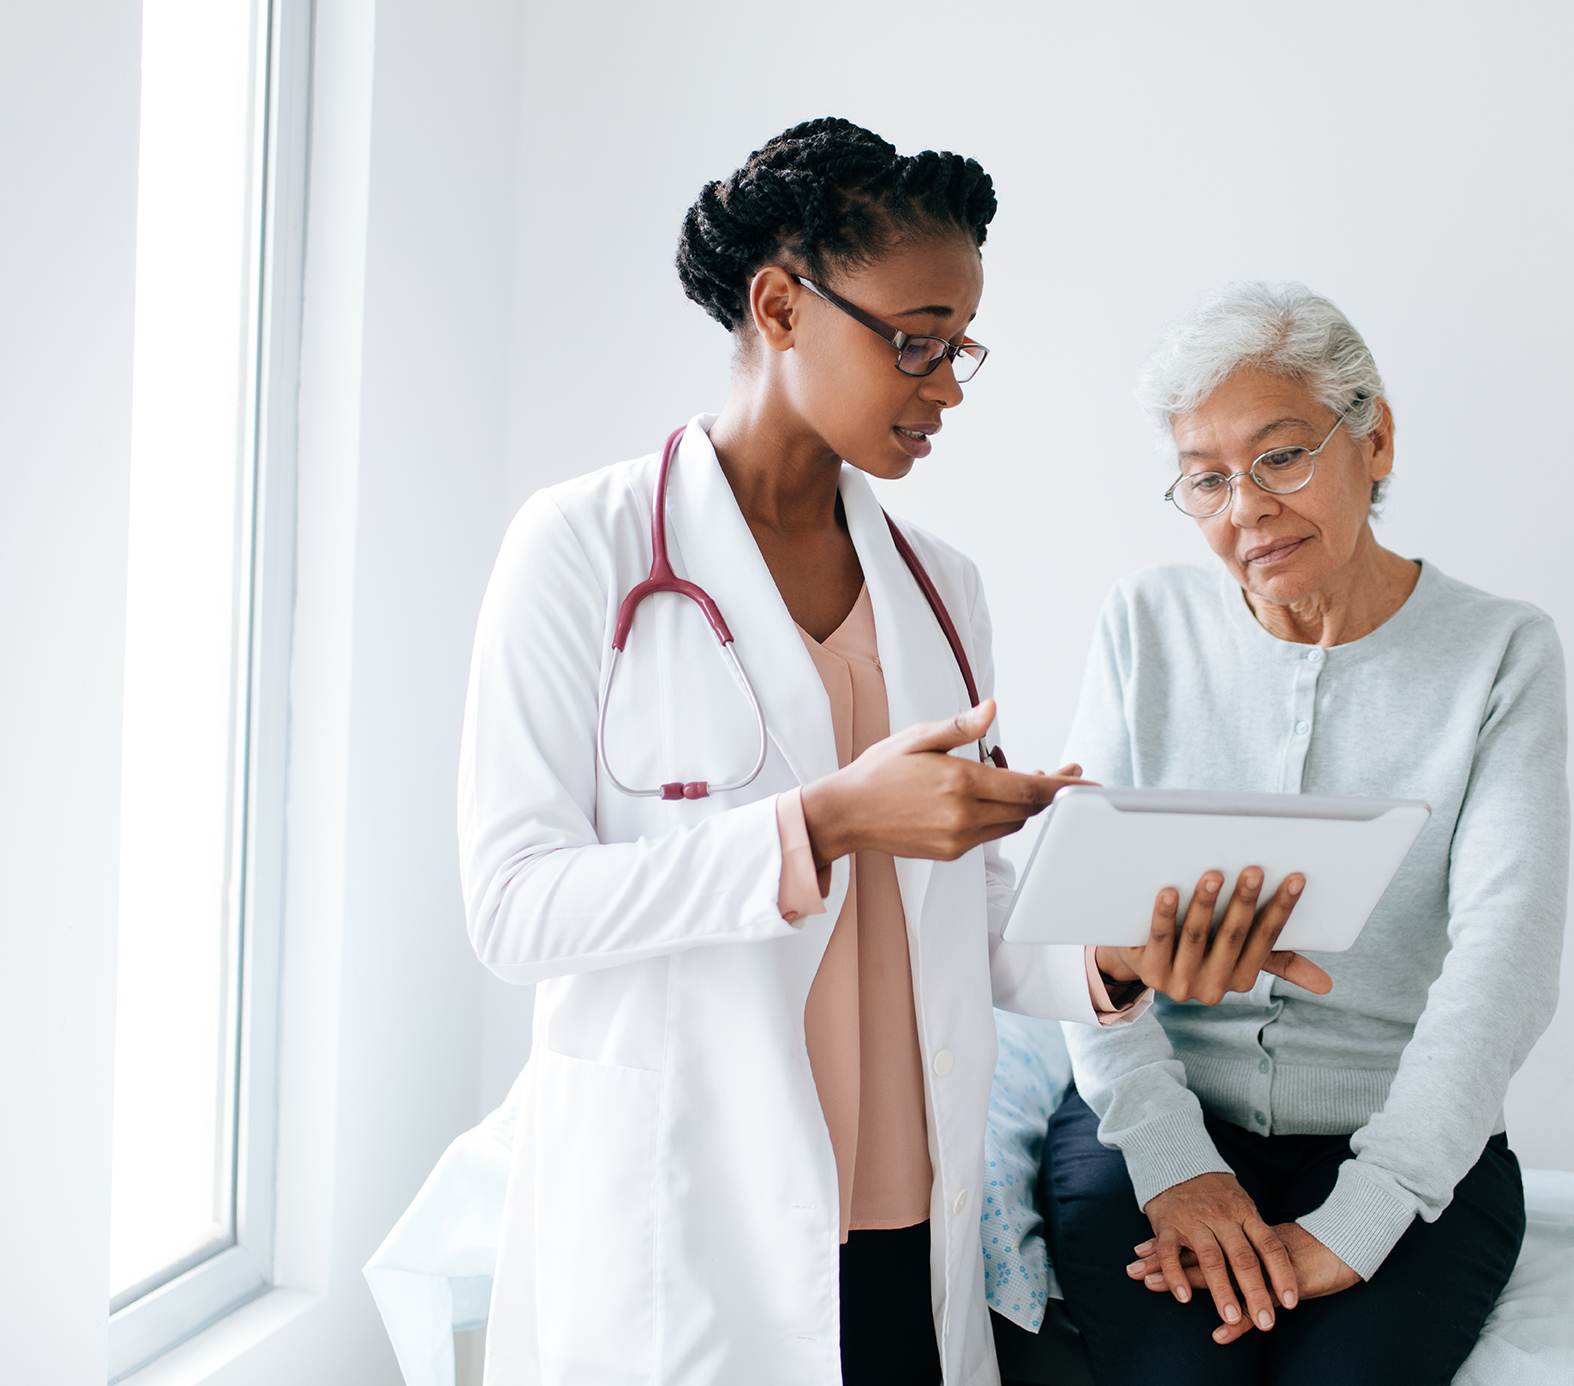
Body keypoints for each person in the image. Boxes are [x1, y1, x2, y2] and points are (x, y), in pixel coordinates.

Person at [453, 123, 1322, 1386]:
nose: (948, 384)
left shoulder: (941, 588)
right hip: (686, 1217)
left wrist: (1123, 954)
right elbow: (512, 909)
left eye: (959, 346)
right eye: (915, 339)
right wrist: (823, 825)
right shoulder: (579, 549)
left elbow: (962, 921)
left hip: (903, 1211)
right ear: (779, 304)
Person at [1037, 282, 1568, 1386]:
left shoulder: (1501, 653)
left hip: (1405, 1139)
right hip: (1152, 1120)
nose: (1245, 509)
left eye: (1279, 457)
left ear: (1372, 440)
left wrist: (1365, 1212)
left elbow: (1504, 959)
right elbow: (1075, 924)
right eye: (1205, 479)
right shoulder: (1143, 623)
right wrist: (1176, 1165)